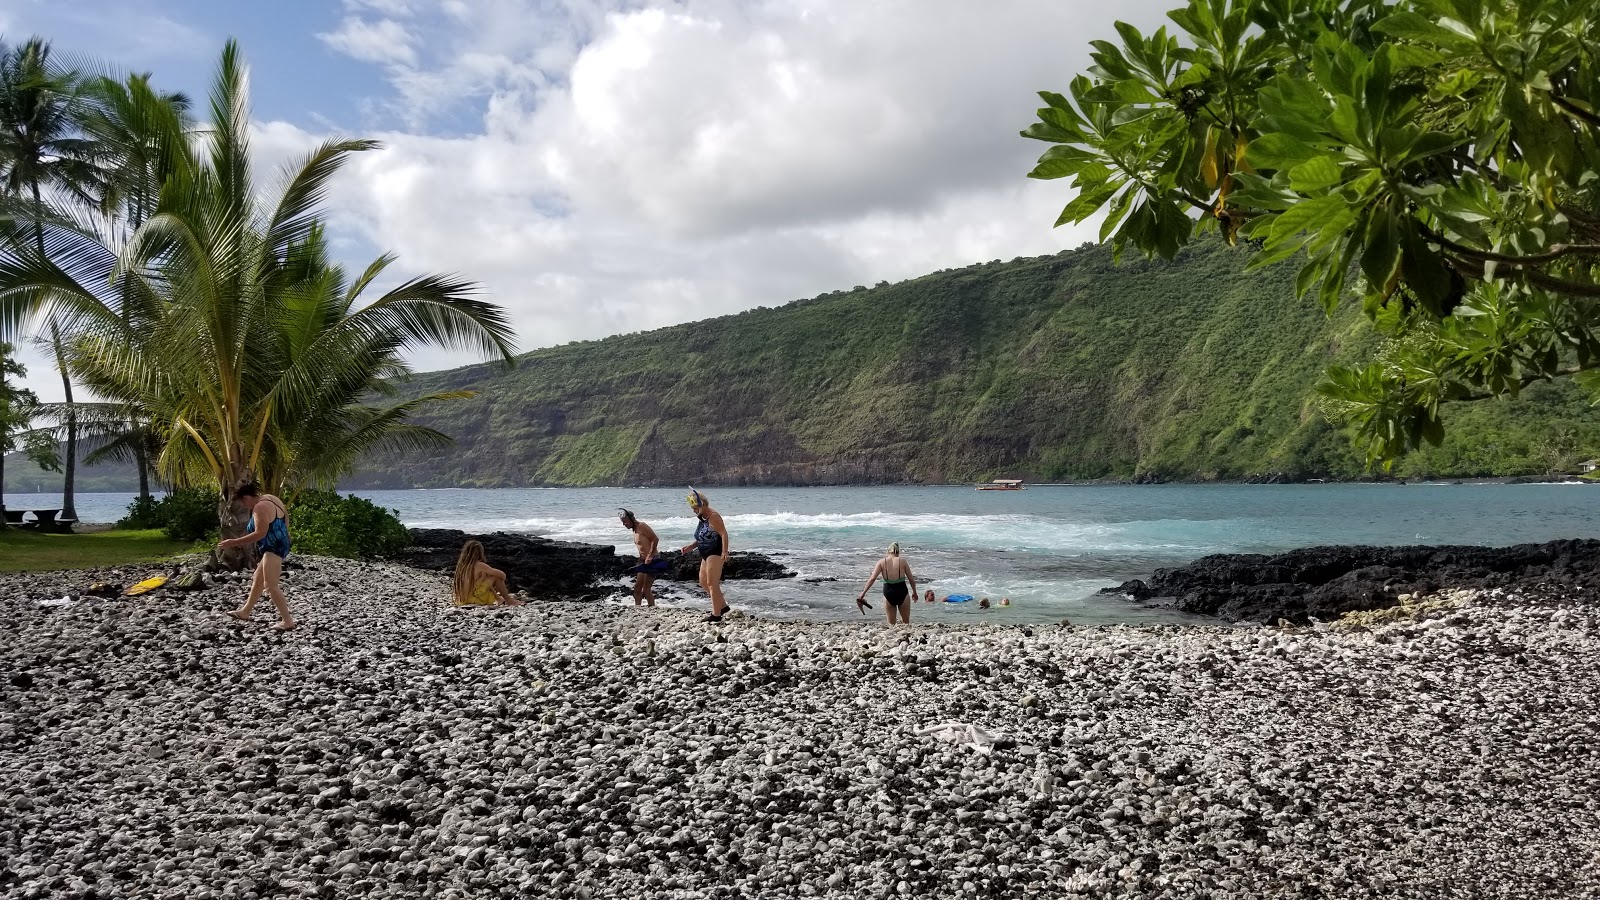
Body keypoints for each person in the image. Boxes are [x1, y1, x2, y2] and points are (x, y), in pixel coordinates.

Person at [220, 482, 296, 631]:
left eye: (243, 501)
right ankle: (245, 611)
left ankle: (287, 621)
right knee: (258, 577)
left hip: (273, 547)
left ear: (247, 498)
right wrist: (285, 533)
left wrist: (234, 542)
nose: (244, 505)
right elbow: (285, 517)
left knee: (270, 585)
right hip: (279, 543)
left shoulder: (259, 508)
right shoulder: (271, 498)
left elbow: (259, 533)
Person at [680, 488, 731, 622]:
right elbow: (703, 536)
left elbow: (723, 534)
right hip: (704, 552)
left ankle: (716, 615)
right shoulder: (702, 517)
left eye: (695, 508)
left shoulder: (713, 516)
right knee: (703, 582)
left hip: (715, 552)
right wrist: (691, 546)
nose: (694, 511)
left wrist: (725, 551)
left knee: (712, 583)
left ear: (702, 504)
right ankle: (723, 606)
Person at [857, 542, 918, 625]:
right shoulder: (903, 561)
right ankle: (905, 636)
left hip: (888, 593)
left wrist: (863, 593)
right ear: (898, 551)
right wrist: (914, 592)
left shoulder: (881, 562)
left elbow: (872, 578)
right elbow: (911, 580)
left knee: (891, 624)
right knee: (906, 623)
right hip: (902, 592)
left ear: (888, 551)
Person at [451, 539, 524, 607]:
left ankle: (498, 598)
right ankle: (509, 600)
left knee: (484, 576)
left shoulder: (462, 566)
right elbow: (502, 575)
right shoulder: (479, 565)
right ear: (480, 553)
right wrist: (490, 575)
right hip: (473, 599)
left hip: (462, 600)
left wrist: (483, 577)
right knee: (496, 577)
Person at [620, 508, 666, 606]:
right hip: (642, 561)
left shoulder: (642, 526)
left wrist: (650, 556)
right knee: (637, 588)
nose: (624, 524)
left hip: (652, 560)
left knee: (646, 589)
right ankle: (638, 609)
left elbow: (655, 539)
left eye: (625, 522)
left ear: (631, 519)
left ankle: (652, 609)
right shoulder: (634, 530)